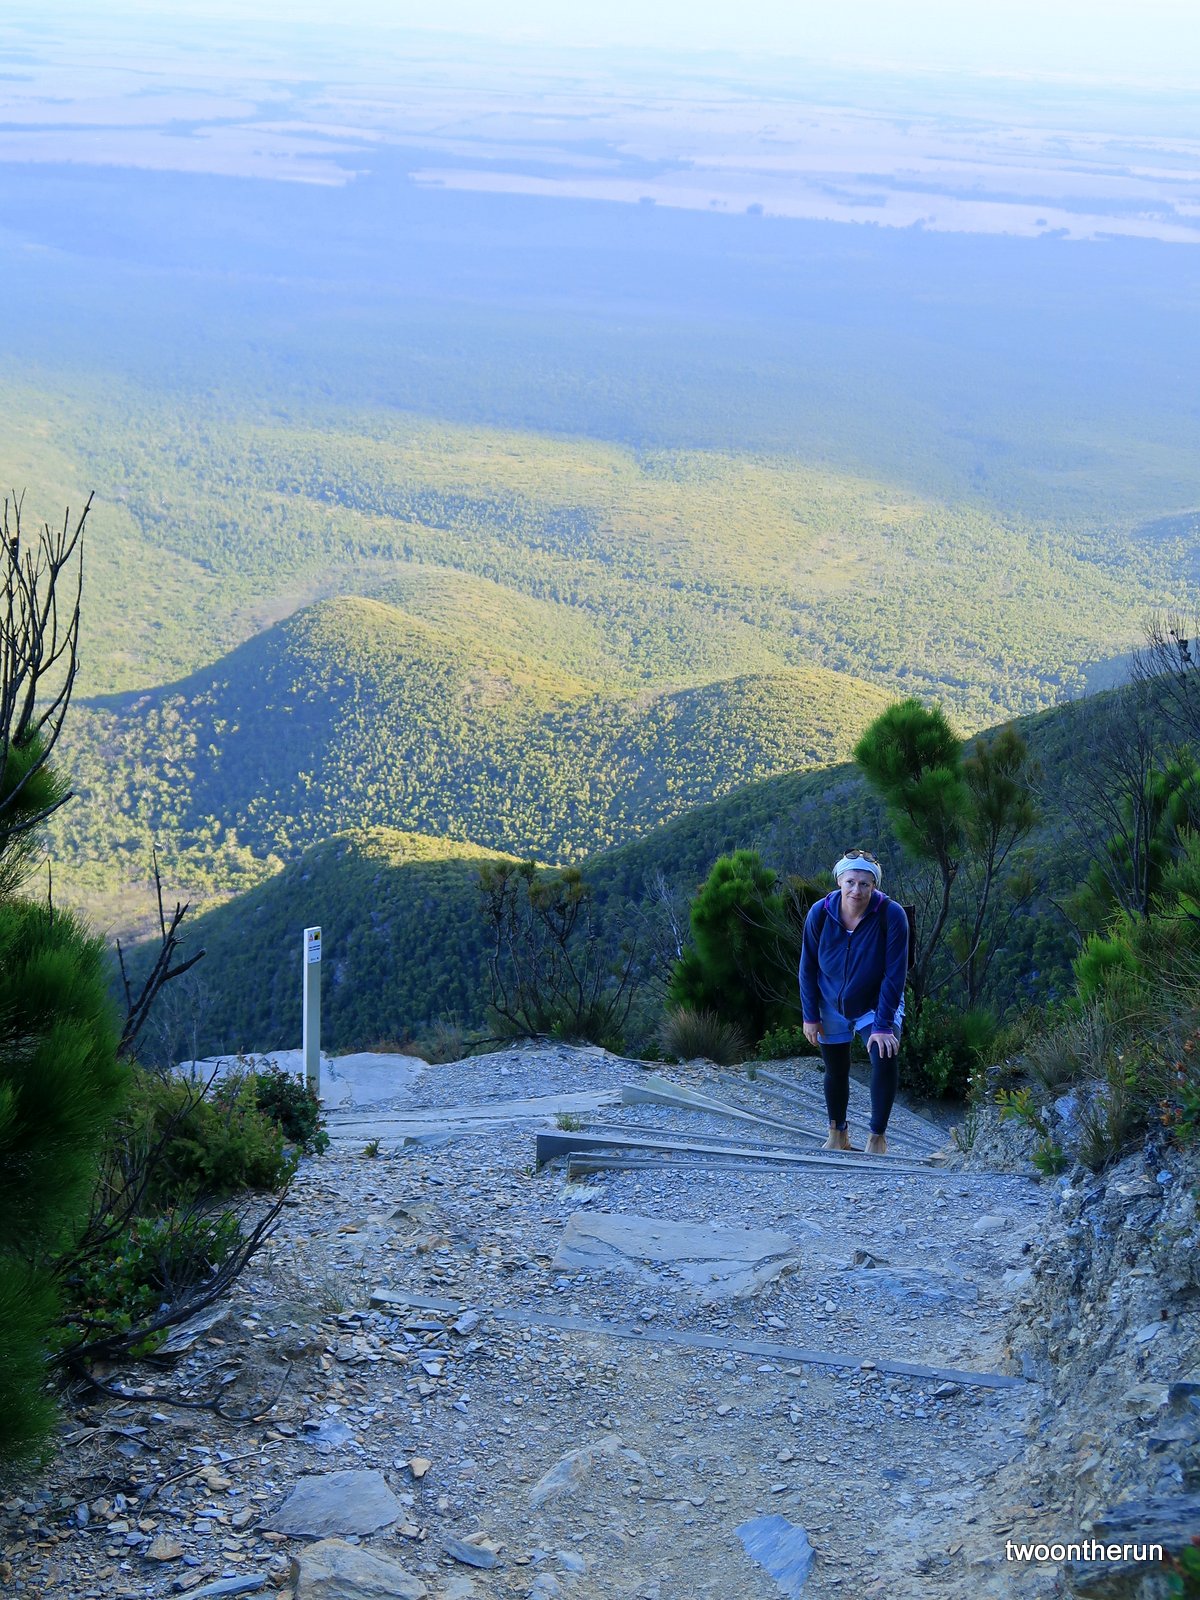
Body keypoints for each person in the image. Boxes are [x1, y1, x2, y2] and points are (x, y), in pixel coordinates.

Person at [798, 848, 907, 1155]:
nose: (856, 890)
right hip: (830, 1000)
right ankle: (837, 1133)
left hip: (875, 1002)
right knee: (835, 1067)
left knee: (884, 1056)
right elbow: (807, 967)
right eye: (850, 882)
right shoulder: (820, 912)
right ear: (839, 882)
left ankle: (877, 1138)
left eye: (865, 884)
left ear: (875, 886)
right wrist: (810, 1015)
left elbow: (895, 973)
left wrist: (884, 1024)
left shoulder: (891, 914)